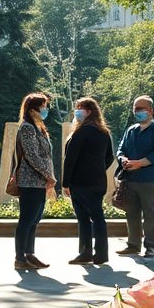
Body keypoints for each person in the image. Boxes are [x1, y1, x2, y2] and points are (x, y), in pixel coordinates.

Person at [62, 97, 115, 265]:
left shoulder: (81, 131)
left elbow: (70, 159)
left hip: (80, 182)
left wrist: (65, 182)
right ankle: (101, 254)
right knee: (98, 217)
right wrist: (97, 169)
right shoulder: (104, 132)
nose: (77, 112)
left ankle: (85, 253)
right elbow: (109, 157)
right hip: (98, 181)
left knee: (84, 218)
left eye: (80, 108)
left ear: (89, 111)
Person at [115, 95, 154, 258]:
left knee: (151, 214)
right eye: (135, 109)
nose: (137, 112)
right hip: (130, 179)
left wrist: (139, 163)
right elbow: (120, 149)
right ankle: (133, 245)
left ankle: (151, 246)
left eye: (141, 109)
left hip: (149, 179)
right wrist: (122, 158)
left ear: (150, 111)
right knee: (131, 213)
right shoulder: (131, 130)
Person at [13, 92, 57, 269]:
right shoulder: (27, 128)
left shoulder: (39, 128)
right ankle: (20, 258)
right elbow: (32, 156)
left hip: (39, 181)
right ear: (32, 110)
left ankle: (29, 254)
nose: (45, 110)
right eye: (43, 107)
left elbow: (46, 156)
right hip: (29, 181)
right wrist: (48, 175)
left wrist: (48, 176)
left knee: (35, 220)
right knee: (26, 219)